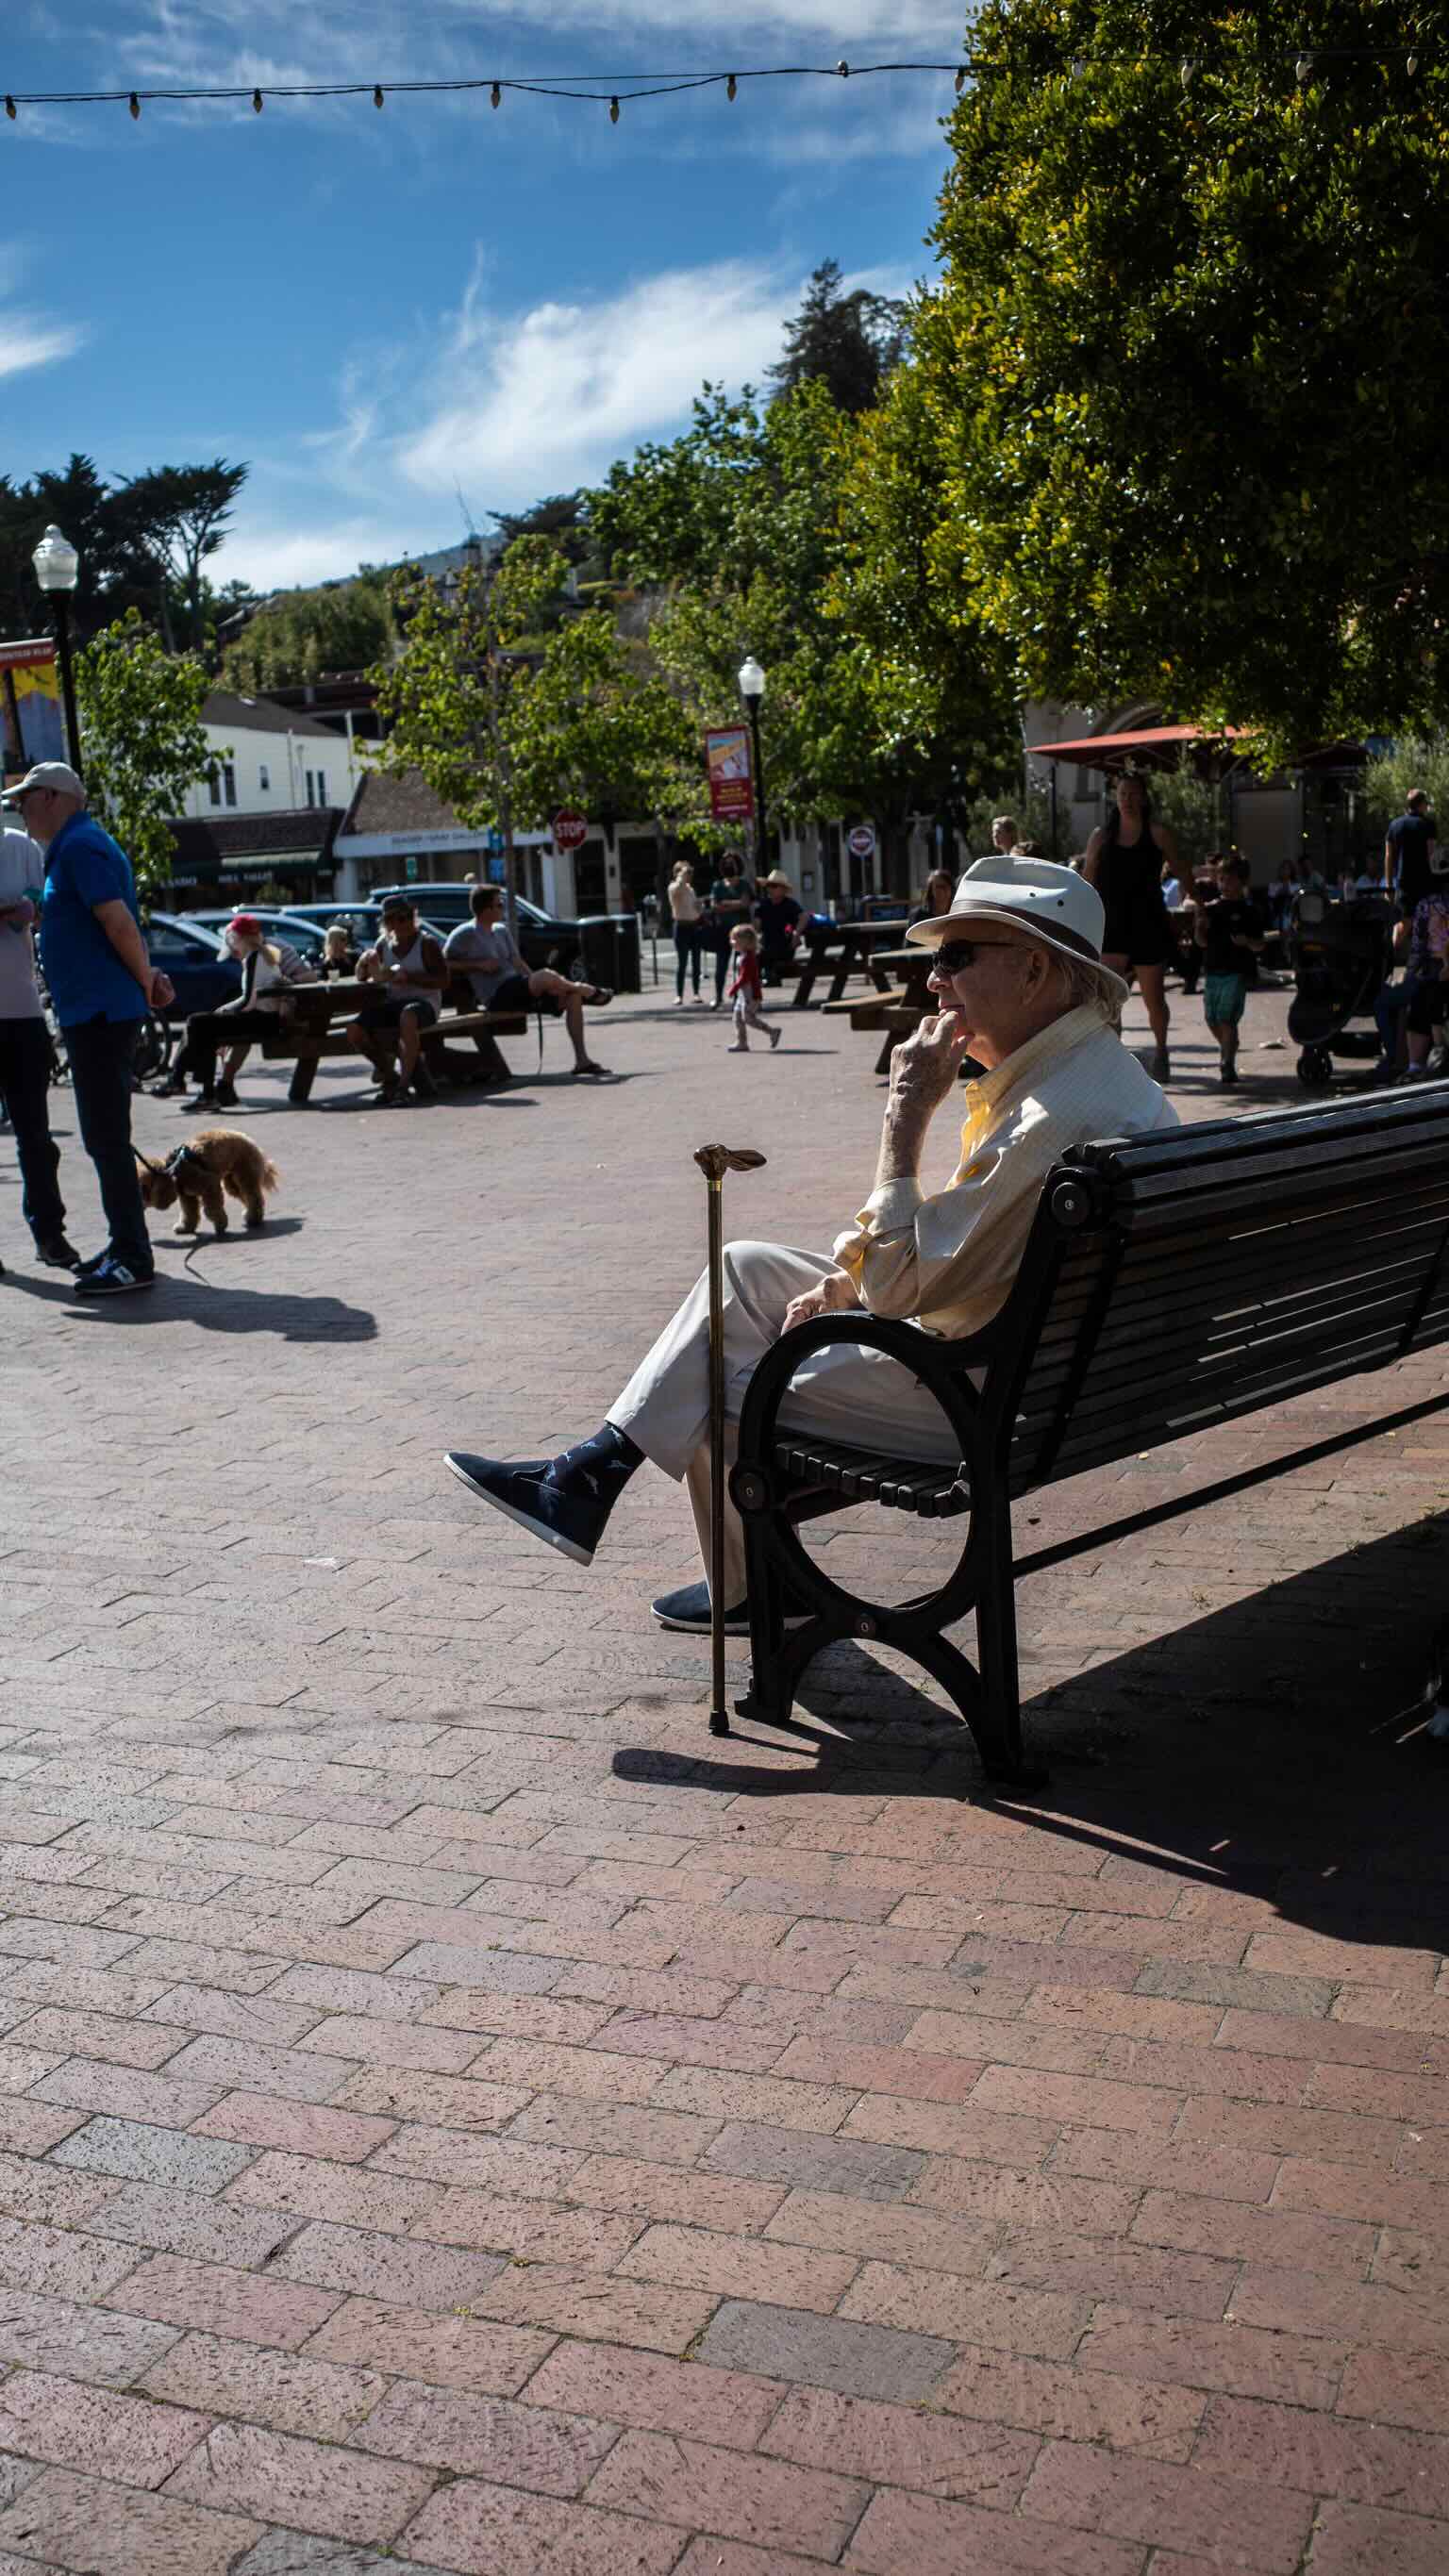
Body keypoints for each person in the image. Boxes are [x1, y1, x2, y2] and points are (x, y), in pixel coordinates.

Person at [443, 855, 1176, 1633]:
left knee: (719, 1374)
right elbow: (960, 1260)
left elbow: (899, 1285)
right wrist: (847, 1283)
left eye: (956, 957)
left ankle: (742, 1582)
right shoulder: (1094, 1077)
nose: (934, 981)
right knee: (745, 1267)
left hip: (983, 1402)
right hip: (1060, 1380)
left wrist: (904, 1119)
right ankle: (593, 1471)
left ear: (1034, 970)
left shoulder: (1047, 1124)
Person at [12, 760, 172, 1296]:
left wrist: (145, 978)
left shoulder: (80, 848)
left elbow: (118, 920)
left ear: (54, 797)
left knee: (105, 1138)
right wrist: (146, 979)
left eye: (25, 799)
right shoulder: (74, 847)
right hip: (95, 1011)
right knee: (105, 1138)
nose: (19, 809)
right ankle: (124, 1242)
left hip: (100, 1015)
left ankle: (132, 1256)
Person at [0, 810, 76, 1268]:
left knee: (37, 1137)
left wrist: (31, 909)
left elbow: (45, 911)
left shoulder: (21, 847)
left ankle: (50, 1235)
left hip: (22, 1009)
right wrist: (13, 910)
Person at [443, 884, 613, 1081]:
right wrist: (478, 965)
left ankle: (582, 1060)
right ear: (486, 909)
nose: (503, 908)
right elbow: (444, 963)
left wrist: (540, 985)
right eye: (499, 904)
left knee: (571, 996)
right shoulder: (464, 934)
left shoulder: (501, 930)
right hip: (496, 995)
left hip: (518, 987)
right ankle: (587, 989)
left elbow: (518, 962)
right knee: (549, 978)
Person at [1081, 772, 1186, 1076]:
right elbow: (1086, 879)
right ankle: (1114, 1059)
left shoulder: (1157, 834)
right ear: (1116, 797)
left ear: (1143, 797)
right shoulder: (1101, 837)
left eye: (1133, 794)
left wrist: (1200, 907)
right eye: (1122, 793)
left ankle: (1162, 1051)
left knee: (1155, 1000)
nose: (1127, 800)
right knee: (1111, 1000)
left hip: (1148, 925)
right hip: (1112, 926)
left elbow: (1181, 868)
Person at [155, 915, 303, 1110]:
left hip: (260, 1019)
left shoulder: (254, 958)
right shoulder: (264, 955)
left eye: (233, 939)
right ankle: (199, 1091)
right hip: (266, 1018)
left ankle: (180, 1081)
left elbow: (248, 999)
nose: (232, 946)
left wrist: (224, 1010)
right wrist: (223, 1012)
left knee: (196, 1022)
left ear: (240, 938)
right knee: (203, 1028)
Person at [345, 894, 450, 1104]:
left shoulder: (427, 944)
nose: (401, 924)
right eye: (394, 920)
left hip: (424, 1003)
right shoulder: (383, 945)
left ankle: (403, 1086)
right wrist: (363, 963)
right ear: (387, 923)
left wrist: (410, 978)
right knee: (354, 1030)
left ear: (413, 917)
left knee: (408, 1016)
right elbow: (365, 977)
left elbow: (443, 981)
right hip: (392, 1003)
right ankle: (389, 1075)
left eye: (405, 918)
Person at [1194, 854, 1266, 1088]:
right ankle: (1230, 1045)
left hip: (1236, 973)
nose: (1225, 884)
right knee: (1212, 1019)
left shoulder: (1249, 911)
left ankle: (1227, 1064)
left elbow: (1260, 944)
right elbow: (1202, 942)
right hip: (1212, 972)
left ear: (1242, 882)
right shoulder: (1211, 909)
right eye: (1222, 878)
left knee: (1226, 1020)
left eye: (1230, 879)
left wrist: (1247, 942)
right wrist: (1199, 928)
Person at [706, 851, 752, 1008]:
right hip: (722, 930)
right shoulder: (717, 886)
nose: (728, 865)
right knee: (721, 965)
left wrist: (725, 904)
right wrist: (735, 904)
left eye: (731, 862)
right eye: (725, 863)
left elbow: (745, 903)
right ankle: (718, 997)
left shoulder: (744, 884)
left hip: (742, 931)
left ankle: (738, 997)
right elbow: (714, 906)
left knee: (740, 964)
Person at [725, 922, 779, 1054]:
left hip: (751, 995)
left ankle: (772, 1031)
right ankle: (741, 1042)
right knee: (737, 1018)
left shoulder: (748, 958)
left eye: (734, 940)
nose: (731, 942)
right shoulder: (743, 956)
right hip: (743, 995)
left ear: (745, 942)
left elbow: (745, 977)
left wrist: (734, 988)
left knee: (748, 1019)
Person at [1385, 789, 1440, 920]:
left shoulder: (1394, 825)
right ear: (1421, 804)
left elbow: (1388, 856)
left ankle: (1393, 941)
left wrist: (1389, 886)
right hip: (1425, 883)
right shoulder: (1428, 825)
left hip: (1403, 884)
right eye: (1426, 803)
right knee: (1428, 922)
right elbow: (1432, 855)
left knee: (1403, 922)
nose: (1427, 806)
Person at [667, 858, 706, 1006]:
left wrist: (699, 908)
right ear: (677, 873)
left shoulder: (690, 889)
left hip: (693, 926)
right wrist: (681, 875)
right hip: (681, 926)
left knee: (696, 962)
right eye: (685, 872)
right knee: (682, 963)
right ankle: (679, 995)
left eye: (689, 872)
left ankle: (696, 993)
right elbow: (677, 890)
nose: (688, 875)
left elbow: (695, 908)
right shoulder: (673, 887)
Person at [756, 869, 802, 986]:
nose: (770, 889)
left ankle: (771, 977)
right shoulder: (764, 904)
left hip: (784, 944)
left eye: (774, 886)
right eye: (769, 886)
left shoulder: (790, 904)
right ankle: (761, 980)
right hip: (766, 944)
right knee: (755, 953)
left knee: (772, 950)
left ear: (783, 889)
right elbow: (756, 925)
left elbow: (804, 916)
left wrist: (797, 934)